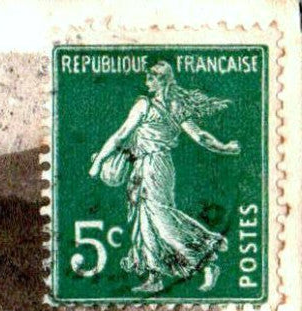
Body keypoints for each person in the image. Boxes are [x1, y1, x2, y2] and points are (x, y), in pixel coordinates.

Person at [88, 61, 241, 293]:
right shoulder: (176, 106)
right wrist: (225, 147)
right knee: (145, 221)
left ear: (162, 80)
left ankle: (206, 262)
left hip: (153, 166)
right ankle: (154, 277)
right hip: (151, 166)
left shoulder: (145, 105)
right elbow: (200, 136)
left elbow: (121, 135)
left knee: (160, 218)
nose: (146, 82)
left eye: (151, 78)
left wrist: (99, 162)